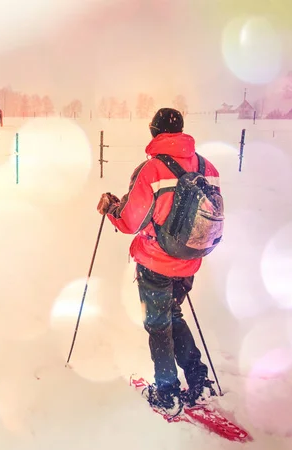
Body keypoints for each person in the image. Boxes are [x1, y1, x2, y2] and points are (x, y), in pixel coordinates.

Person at [97, 107, 219, 416]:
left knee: (159, 324)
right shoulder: (208, 167)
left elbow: (129, 221)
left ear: (154, 132)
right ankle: (198, 379)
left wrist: (110, 209)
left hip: (156, 262)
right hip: (191, 260)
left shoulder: (151, 170)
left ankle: (167, 393)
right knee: (172, 315)